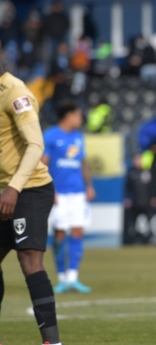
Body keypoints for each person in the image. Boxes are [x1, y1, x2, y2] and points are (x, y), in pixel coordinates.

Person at [0, 41, 67, 345]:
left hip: (29, 189)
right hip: (5, 190)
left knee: (29, 260)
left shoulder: (15, 91)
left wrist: (13, 188)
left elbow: (36, 144)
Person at [42, 100, 96, 293]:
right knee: (59, 234)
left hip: (78, 193)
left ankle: (73, 277)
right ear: (69, 115)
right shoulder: (50, 135)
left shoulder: (78, 137)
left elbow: (83, 163)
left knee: (77, 231)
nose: (81, 118)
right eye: (78, 115)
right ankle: (62, 278)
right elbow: (43, 165)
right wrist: (49, 190)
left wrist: (89, 186)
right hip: (59, 194)